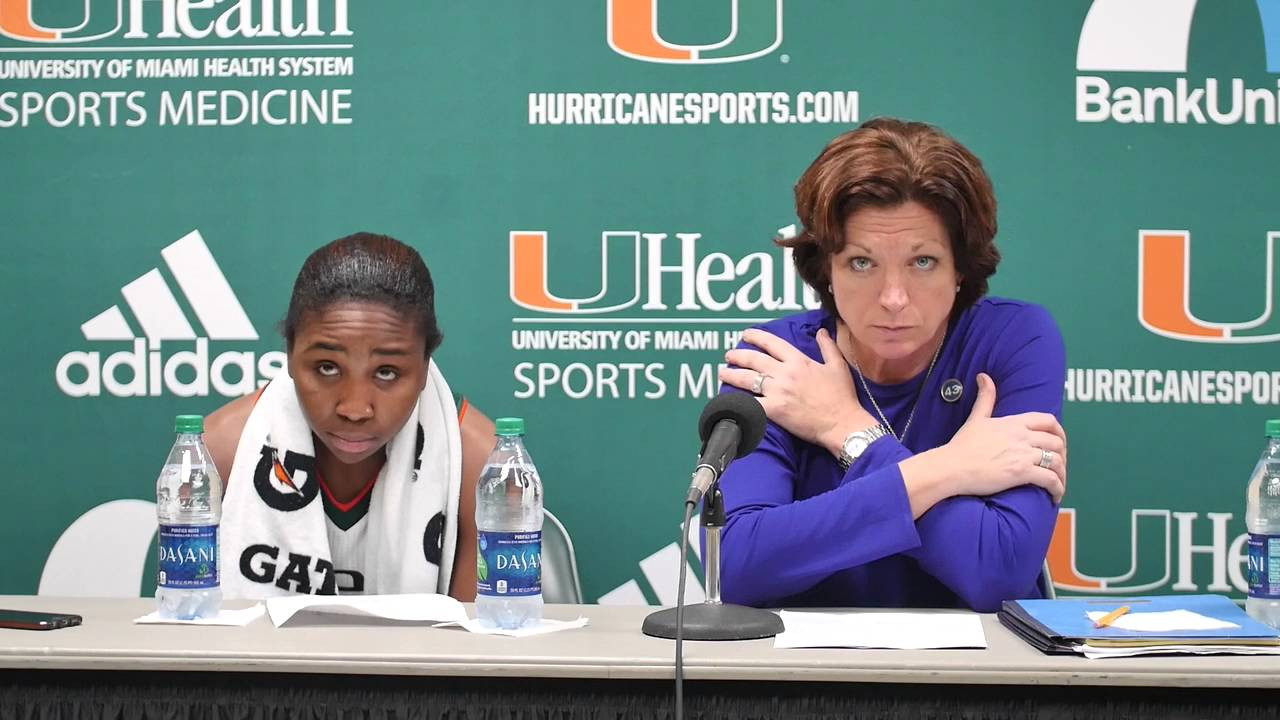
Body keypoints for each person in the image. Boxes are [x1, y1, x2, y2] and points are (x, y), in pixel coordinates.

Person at [716, 118, 1068, 612]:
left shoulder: (1012, 341)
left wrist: (848, 430)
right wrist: (949, 468)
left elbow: (999, 573)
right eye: (862, 262)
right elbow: (740, 567)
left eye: (922, 262)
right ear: (826, 269)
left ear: (962, 268)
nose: (894, 298)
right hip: (809, 680)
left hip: (983, 680)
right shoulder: (781, 359)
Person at [204, 232, 493, 600]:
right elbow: (191, 641)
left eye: (387, 372)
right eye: (326, 367)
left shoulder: (482, 466)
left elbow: (485, 648)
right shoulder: (221, 453)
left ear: (424, 367)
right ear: (290, 355)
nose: (355, 409)